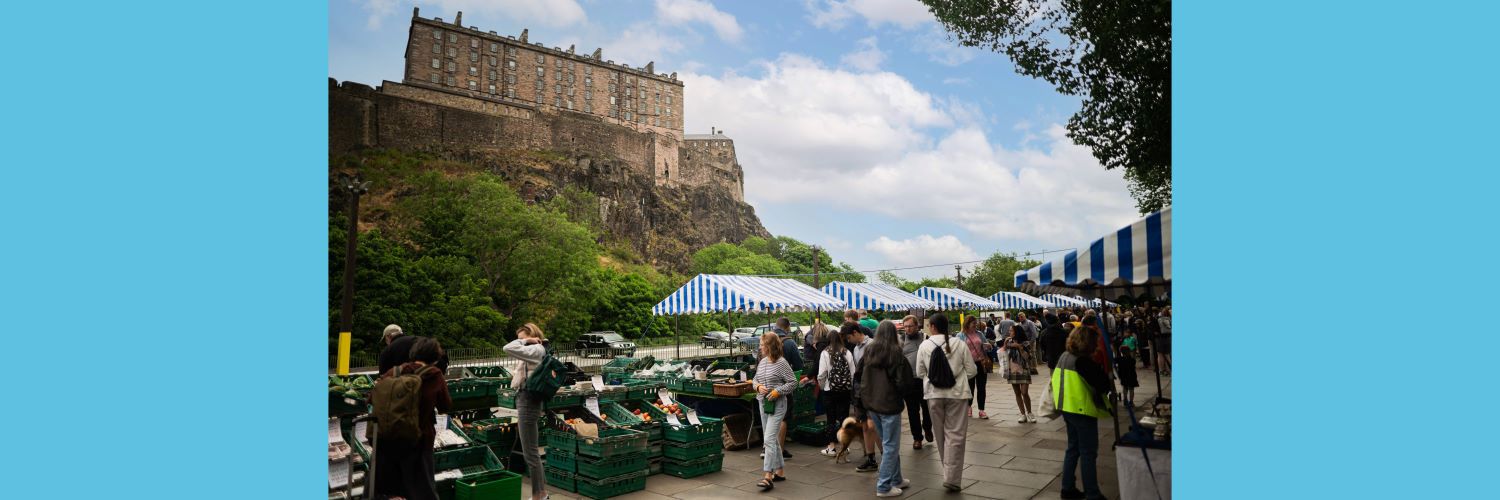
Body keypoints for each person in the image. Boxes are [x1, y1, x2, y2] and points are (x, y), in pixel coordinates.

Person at [372, 337, 452, 500]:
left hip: (388, 441)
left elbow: (372, 398)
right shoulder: (434, 375)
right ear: (435, 358)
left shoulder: (394, 372)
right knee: (423, 491)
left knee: (390, 491)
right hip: (420, 441)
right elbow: (445, 406)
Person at [914, 313, 975, 492]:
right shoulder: (959, 343)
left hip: (933, 394)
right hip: (957, 393)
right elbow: (972, 370)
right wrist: (957, 376)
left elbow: (919, 372)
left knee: (940, 434)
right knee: (956, 435)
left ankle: (947, 471)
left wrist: (934, 377)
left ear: (933, 326)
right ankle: (952, 477)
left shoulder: (924, 345)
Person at [1054, 325, 1113, 500]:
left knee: (1073, 448)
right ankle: (1092, 493)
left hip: (1067, 408)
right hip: (1082, 409)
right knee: (1088, 452)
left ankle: (1067, 488)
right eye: (1095, 341)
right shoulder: (1082, 361)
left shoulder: (1065, 356)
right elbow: (1103, 384)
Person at [861, 320, 912, 497]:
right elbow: (903, 382)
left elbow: (861, 377)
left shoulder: (869, 350)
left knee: (888, 443)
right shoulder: (896, 352)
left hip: (873, 403)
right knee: (891, 445)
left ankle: (896, 478)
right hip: (889, 404)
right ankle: (883, 486)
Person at [503, 324, 550, 500]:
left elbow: (507, 347)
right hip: (526, 399)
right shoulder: (534, 350)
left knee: (530, 453)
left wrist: (526, 341)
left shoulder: (536, 348)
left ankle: (539, 495)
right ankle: (541, 493)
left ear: (532, 335)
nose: (522, 342)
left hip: (529, 401)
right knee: (531, 451)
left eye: (523, 337)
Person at [753, 332, 798, 491]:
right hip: (763, 403)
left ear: (770, 346)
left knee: (769, 439)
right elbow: (755, 380)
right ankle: (780, 471)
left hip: (778, 405)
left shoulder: (782, 363)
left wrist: (778, 391)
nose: (760, 347)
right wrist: (758, 386)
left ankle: (768, 476)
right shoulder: (763, 362)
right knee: (771, 438)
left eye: (762, 344)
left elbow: (793, 383)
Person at [845, 321, 880, 473]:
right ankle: (870, 458)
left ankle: (887, 456)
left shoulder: (872, 345)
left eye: (848, 337)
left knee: (875, 425)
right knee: (865, 425)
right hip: (859, 392)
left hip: (872, 391)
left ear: (854, 333)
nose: (847, 341)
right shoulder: (856, 349)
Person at [815, 325, 855, 457]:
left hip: (829, 390)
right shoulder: (847, 352)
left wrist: (822, 386)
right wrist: (849, 386)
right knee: (844, 418)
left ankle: (831, 447)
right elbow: (853, 372)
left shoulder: (825, 353)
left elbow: (821, 374)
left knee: (830, 419)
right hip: (845, 390)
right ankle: (845, 446)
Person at [899, 315, 933, 449]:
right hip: (909, 381)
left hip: (924, 380)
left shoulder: (926, 338)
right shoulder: (900, 341)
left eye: (910, 326)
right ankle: (917, 438)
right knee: (912, 412)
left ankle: (927, 427)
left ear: (917, 325)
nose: (907, 329)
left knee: (927, 409)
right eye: (905, 326)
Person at [1004, 323, 1037, 423]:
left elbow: (1027, 358)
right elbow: (1002, 353)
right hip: (1012, 370)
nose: (1009, 332)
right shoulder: (1009, 341)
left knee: (1024, 392)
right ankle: (1023, 414)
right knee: (1017, 393)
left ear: (1016, 332)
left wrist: (1019, 347)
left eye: (1011, 331)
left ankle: (1030, 413)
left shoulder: (1025, 343)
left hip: (1023, 369)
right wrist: (1005, 344)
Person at [959, 316, 991, 419]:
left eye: (976, 323)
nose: (975, 324)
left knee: (981, 387)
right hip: (968, 364)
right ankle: (969, 407)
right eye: (973, 323)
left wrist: (988, 346)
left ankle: (982, 410)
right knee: (969, 387)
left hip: (981, 363)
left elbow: (985, 345)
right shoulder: (960, 335)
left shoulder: (980, 334)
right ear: (967, 323)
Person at [1156, 308, 1172, 376]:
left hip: (1160, 338)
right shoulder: (1170, 319)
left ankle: (1161, 370)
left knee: (1160, 355)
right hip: (1168, 337)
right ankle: (1169, 369)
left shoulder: (1159, 320)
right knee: (1167, 354)